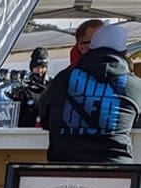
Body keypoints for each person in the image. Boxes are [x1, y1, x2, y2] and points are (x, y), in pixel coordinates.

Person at [40, 24, 141, 164]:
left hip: (63, 171)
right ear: (124, 53)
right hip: (117, 173)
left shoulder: (63, 78)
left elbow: (44, 119)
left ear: (90, 49)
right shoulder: (135, 86)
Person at [9, 47, 51, 127]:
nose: (40, 70)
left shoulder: (51, 87)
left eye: (43, 67)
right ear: (32, 68)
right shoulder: (23, 88)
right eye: (37, 67)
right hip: (27, 132)